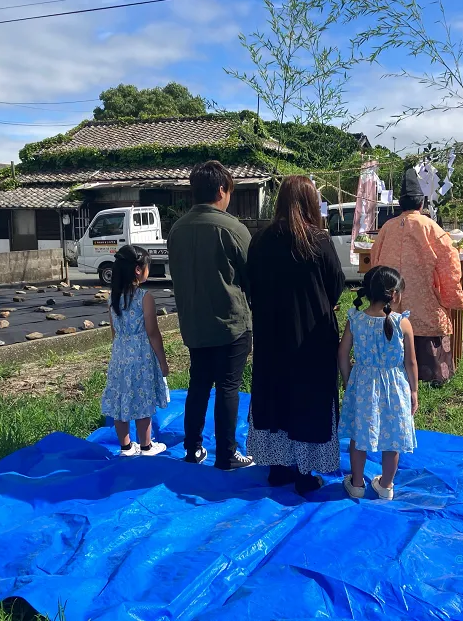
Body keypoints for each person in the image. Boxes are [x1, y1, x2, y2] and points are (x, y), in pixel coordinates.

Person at [246, 175, 346, 495]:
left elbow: (251, 287)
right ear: (311, 202)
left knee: (276, 398)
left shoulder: (260, 240)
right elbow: (336, 286)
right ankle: (305, 472)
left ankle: (278, 467)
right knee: (309, 401)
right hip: (311, 337)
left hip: (271, 334)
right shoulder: (319, 240)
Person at [167, 160, 254, 471]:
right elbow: (251, 275)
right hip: (230, 323)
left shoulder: (177, 229)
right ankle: (227, 454)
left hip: (194, 323)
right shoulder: (232, 228)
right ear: (221, 190)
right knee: (228, 387)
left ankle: (193, 448)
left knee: (199, 385)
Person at [371, 167, 463, 386]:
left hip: (391, 302)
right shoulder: (432, 227)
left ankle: (393, 376)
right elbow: (450, 264)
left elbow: (375, 262)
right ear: (421, 204)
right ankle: (434, 375)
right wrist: (451, 297)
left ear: (400, 205)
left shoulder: (387, 228)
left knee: (393, 322)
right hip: (424, 301)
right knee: (430, 317)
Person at [338, 266, 418, 500]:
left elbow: (342, 354)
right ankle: (386, 485)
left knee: (358, 434)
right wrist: (413, 390)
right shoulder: (403, 323)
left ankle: (356, 483)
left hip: (362, 385)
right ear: (394, 295)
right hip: (395, 387)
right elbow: (411, 362)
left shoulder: (355, 320)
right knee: (393, 437)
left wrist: (347, 379)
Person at [101, 245, 170, 457]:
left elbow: (114, 332)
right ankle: (147, 446)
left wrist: (119, 351)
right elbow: (153, 332)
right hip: (141, 356)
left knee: (121, 399)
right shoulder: (144, 297)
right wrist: (163, 361)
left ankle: (125, 447)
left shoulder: (113, 297)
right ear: (138, 270)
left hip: (120, 354)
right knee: (142, 400)